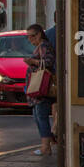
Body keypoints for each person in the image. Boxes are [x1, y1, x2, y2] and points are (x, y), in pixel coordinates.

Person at [24, 23, 57, 156]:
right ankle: (46, 144)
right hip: (37, 89)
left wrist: (32, 62)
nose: (29, 39)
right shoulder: (40, 46)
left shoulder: (44, 45)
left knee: (41, 116)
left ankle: (46, 147)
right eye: (28, 37)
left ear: (38, 34)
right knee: (38, 117)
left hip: (42, 88)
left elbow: (48, 62)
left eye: (31, 36)